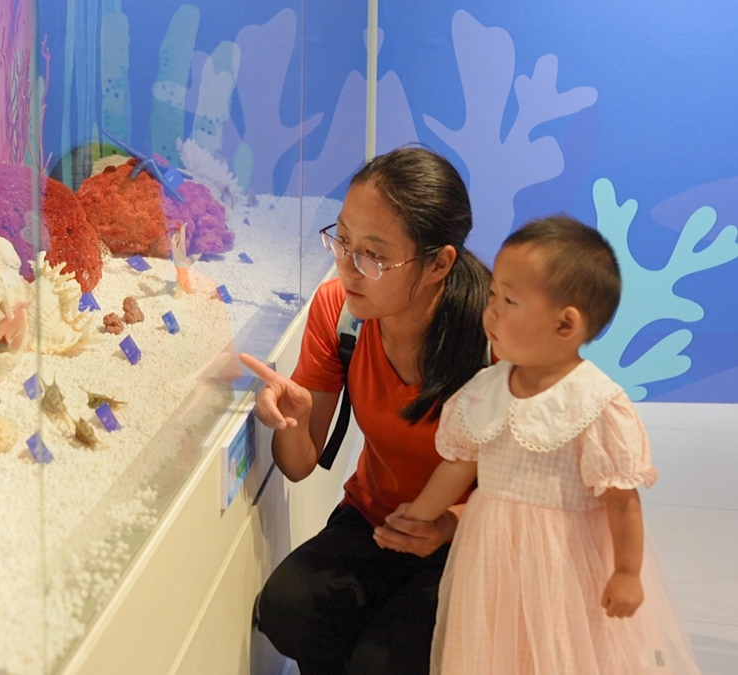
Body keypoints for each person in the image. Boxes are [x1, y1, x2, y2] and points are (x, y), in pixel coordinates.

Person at [380, 216, 700, 674]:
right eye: (494, 294)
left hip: (563, 561)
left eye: (509, 300)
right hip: (490, 556)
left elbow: (621, 499)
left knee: (558, 651)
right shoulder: (486, 389)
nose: (491, 311)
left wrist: (627, 572)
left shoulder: (594, 403)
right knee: (491, 649)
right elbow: (459, 464)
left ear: (565, 324)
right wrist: (419, 515)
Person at [239, 146, 491, 675]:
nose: (348, 268)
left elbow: (538, 497)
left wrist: (448, 524)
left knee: (382, 661)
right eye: (343, 241)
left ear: (439, 263)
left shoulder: (495, 339)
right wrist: (290, 419)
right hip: (374, 522)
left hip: (467, 537)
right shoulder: (339, 312)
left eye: (373, 255)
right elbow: (299, 464)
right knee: (286, 609)